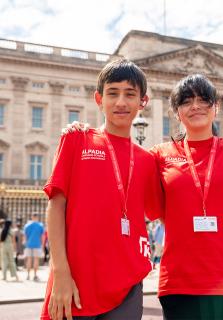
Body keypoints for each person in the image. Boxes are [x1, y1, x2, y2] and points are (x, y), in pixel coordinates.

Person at [70, 74, 223, 319]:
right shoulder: (159, 156)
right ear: (177, 112)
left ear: (216, 107)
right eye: (187, 101)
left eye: (203, 100)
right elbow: (116, 162)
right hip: (180, 282)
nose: (196, 106)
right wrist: (85, 136)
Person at [41, 59, 163, 320]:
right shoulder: (76, 139)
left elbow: (163, 212)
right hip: (74, 281)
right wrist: (60, 271)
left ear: (143, 101)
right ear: (99, 98)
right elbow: (56, 205)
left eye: (130, 94)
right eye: (113, 93)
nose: (121, 102)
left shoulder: (147, 159)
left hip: (128, 285)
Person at [24, 212, 44, 281]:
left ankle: (28, 275)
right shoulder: (40, 225)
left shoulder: (27, 225)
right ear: (37, 217)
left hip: (28, 245)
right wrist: (42, 245)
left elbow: (25, 237)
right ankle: (35, 275)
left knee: (29, 259)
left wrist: (26, 244)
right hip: (37, 244)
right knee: (36, 260)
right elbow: (42, 237)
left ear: (32, 217)